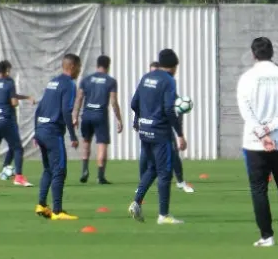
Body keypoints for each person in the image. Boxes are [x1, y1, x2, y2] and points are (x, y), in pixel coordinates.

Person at [237, 37, 278, 247]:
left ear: (253, 54)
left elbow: (245, 110)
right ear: (272, 53)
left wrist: (261, 131)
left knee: (259, 189)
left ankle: (267, 236)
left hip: (255, 143)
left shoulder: (246, 78)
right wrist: (271, 128)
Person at [128, 49, 187, 224]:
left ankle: (136, 201)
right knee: (165, 172)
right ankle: (164, 215)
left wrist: (139, 120)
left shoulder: (147, 77)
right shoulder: (169, 81)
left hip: (144, 130)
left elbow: (133, 103)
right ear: (174, 66)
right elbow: (169, 109)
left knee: (152, 168)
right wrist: (180, 134)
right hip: (160, 132)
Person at [33, 54, 81, 221]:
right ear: (73, 66)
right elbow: (66, 111)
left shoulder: (52, 82)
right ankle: (57, 211)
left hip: (41, 129)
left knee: (48, 169)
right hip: (53, 132)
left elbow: (39, 108)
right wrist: (73, 136)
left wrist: (35, 131)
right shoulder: (69, 84)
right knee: (60, 170)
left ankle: (41, 204)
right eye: (79, 67)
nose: (79, 71)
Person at [0, 60, 35, 189]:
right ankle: (18, 177)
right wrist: (17, 100)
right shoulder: (9, 84)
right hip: (6, 120)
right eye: (9, 70)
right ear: (6, 71)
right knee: (17, 148)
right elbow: (14, 102)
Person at [146, 61, 195, 194]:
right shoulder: (147, 87)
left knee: (173, 154)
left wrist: (179, 133)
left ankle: (180, 182)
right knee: (147, 155)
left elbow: (175, 108)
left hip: (164, 128)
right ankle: (143, 185)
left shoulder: (168, 86)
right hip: (150, 126)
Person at [73, 55, 123, 185]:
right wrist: (119, 119)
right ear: (108, 66)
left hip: (87, 114)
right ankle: (100, 176)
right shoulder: (110, 81)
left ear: (97, 65)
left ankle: (84, 170)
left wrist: (75, 116)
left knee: (86, 142)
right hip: (100, 115)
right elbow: (113, 101)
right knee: (101, 144)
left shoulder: (86, 79)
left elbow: (79, 99)